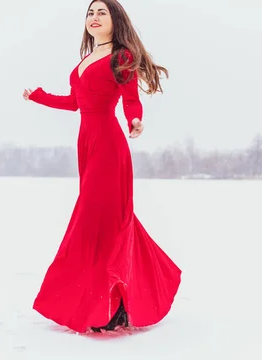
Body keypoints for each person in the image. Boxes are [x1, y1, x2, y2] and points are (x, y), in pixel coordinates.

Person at [22, 0, 182, 334]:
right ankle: (118, 296)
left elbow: (129, 96)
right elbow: (75, 102)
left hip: (109, 146)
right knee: (105, 220)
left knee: (100, 221)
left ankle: (114, 304)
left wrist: (135, 118)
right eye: (90, 13)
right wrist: (38, 96)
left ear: (115, 20)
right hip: (88, 146)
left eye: (101, 13)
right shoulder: (86, 61)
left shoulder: (120, 56)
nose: (94, 18)